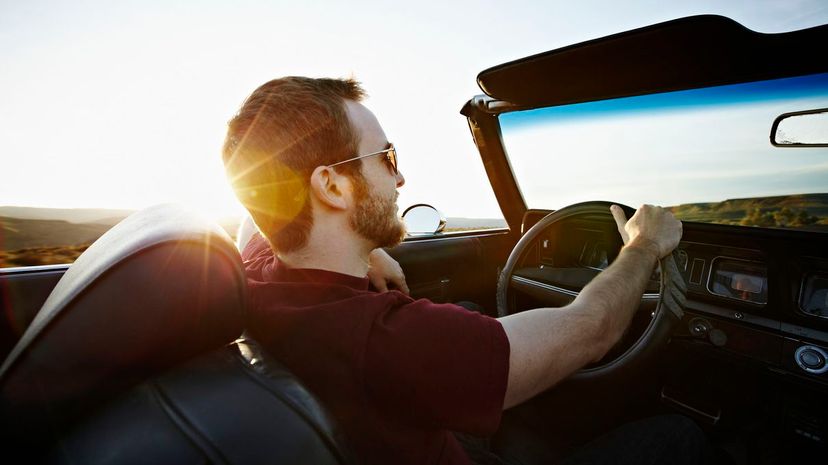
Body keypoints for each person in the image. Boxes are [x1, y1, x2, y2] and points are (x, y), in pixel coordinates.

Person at [221, 77, 711, 465]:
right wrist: (644, 247)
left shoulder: (257, 274)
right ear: (331, 186)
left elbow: (257, 219)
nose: (400, 177)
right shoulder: (390, 340)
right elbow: (592, 328)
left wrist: (365, 250)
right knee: (677, 435)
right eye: (386, 158)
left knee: (472, 311)